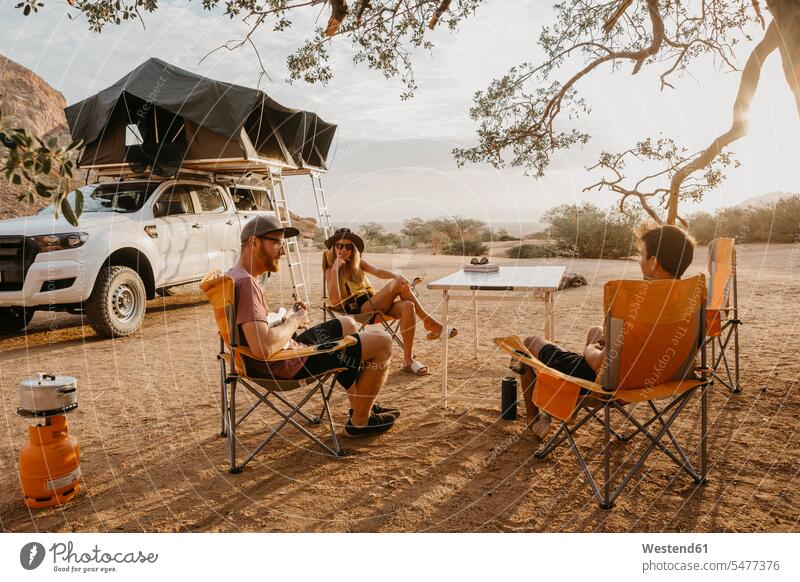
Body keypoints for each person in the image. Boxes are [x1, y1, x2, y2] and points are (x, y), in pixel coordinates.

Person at [517, 223, 696, 438]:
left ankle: (535, 420)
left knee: (528, 343)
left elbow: (601, 363)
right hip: (664, 378)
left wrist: (590, 350)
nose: (640, 261)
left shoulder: (636, 299)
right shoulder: (690, 298)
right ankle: (561, 400)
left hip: (614, 385)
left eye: (641, 255)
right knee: (595, 331)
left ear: (654, 262)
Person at [228, 216, 399, 438]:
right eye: (277, 243)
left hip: (274, 358)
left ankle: (360, 406)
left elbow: (253, 332)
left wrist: (283, 317)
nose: (282, 252)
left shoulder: (234, 275)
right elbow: (264, 347)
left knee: (347, 323)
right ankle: (360, 421)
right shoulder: (247, 284)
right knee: (382, 342)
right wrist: (296, 319)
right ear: (253, 243)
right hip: (283, 365)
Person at [323, 227, 457, 376]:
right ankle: (429, 323)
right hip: (359, 308)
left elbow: (379, 272)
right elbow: (334, 300)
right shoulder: (330, 271)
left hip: (375, 302)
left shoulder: (358, 263)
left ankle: (408, 360)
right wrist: (335, 269)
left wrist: (396, 275)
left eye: (348, 246)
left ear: (353, 249)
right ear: (334, 248)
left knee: (408, 306)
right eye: (339, 246)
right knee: (398, 284)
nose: (343, 250)